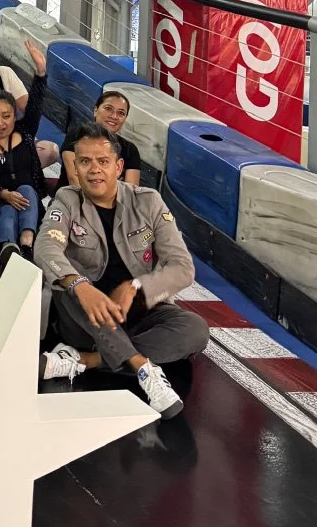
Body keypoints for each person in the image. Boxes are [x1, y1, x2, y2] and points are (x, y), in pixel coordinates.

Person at [34, 122, 209, 419]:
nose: (94, 170)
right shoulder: (66, 199)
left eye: (102, 162)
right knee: (68, 289)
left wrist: (137, 287)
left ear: (118, 166)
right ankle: (143, 367)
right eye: (85, 162)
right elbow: (45, 249)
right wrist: (81, 285)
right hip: (85, 315)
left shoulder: (148, 201)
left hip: (137, 311)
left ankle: (86, 360)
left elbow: (182, 268)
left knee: (195, 330)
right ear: (75, 167)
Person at [0, 41, 48, 263]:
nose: (0, 122)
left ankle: (25, 241)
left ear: (15, 115)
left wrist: (40, 73)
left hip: (30, 206)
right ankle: (10, 248)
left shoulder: (25, 130)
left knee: (26, 189)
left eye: (6, 116)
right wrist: (4, 194)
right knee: (7, 210)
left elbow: (35, 105)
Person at [61, 91, 142, 188]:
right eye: (108, 109)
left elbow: (130, 191)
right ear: (95, 110)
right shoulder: (77, 135)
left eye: (121, 113)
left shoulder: (130, 150)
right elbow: (74, 179)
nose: (114, 116)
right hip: (72, 199)